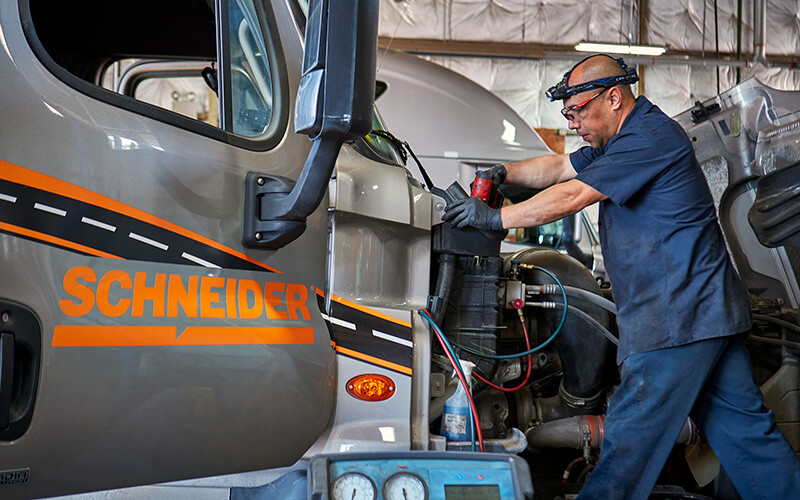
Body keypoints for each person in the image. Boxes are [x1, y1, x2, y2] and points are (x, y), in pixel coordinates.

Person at [442, 54, 800, 499]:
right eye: (567, 114)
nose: (573, 123)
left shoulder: (648, 138)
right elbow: (559, 167)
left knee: (628, 448)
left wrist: (494, 219)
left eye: (577, 111)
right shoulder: (619, 140)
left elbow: (572, 194)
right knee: (750, 442)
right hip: (708, 316)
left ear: (613, 98)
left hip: (678, 322)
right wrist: (502, 172)